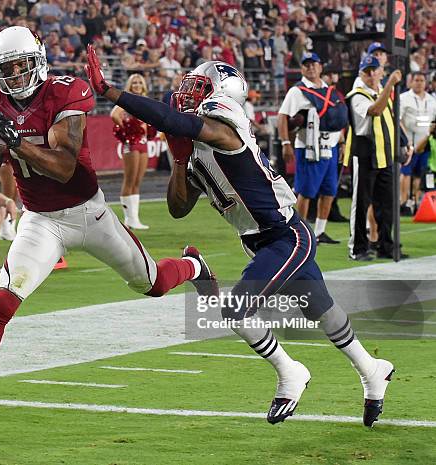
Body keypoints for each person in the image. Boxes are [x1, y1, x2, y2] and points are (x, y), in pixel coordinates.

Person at [0, 26, 216, 430]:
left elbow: (64, 166)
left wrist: (17, 142)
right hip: (40, 221)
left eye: (22, 66)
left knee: (153, 284)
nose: (17, 76)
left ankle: (193, 266)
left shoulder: (66, 91)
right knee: (2, 304)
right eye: (8, 69)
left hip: (88, 213)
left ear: (38, 60)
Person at [86, 49, 395, 426]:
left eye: (198, 88)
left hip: (285, 235)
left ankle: (289, 371)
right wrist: (181, 161)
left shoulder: (224, 128)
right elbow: (177, 208)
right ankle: (371, 369)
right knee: (320, 309)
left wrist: (111, 91)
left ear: (221, 94)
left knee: (237, 308)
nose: (186, 94)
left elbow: (168, 117)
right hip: (262, 240)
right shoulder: (199, 146)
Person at [278, 52, 348, 245]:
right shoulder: (297, 91)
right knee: (306, 191)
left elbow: (335, 121)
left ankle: (319, 232)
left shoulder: (329, 90)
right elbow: (282, 116)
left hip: (331, 146)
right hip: (309, 147)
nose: (311, 68)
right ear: (302, 69)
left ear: (320, 67)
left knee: (329, 191)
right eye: (306, 65)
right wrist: (285, 143)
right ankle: (298, 234)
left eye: (314, 64)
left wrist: (341, 142)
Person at [344, 56, 408, 261]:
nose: (371, 75)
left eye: (375, 70)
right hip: (365, 153)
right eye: (367, 71)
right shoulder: (357, 95)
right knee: (361, 203)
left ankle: (385, 245)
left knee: (387, 204)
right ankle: (357, 247)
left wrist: (403, 144)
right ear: (360, 74)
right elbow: (376, 110)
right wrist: (390, 84)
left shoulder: (382, 92)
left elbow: (392, 120)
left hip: (385, 154)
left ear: (381, 71)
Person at [111, 74, 151, 230]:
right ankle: (129, 218)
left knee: (137, 182)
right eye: (134, 82)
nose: (137, 85)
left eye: (139, 82)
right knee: (129, 180)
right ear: (129, 84)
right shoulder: (126, 99)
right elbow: (114, 114)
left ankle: (135, 219)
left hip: (143, 142)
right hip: (131, 143)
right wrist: (127, 129)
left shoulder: (145, 99)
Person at [399, 72, 436, 215]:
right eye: (416, 80)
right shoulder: (404, 98)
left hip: (425, 142)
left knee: (421, 174)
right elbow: (398, 118)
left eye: (422, 80)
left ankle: (415, 202)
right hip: (409, 142)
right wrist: (405, 138)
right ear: (410, 82)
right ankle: (404, 202)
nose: (419, 83)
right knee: (406, 172)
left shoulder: (431, 100)